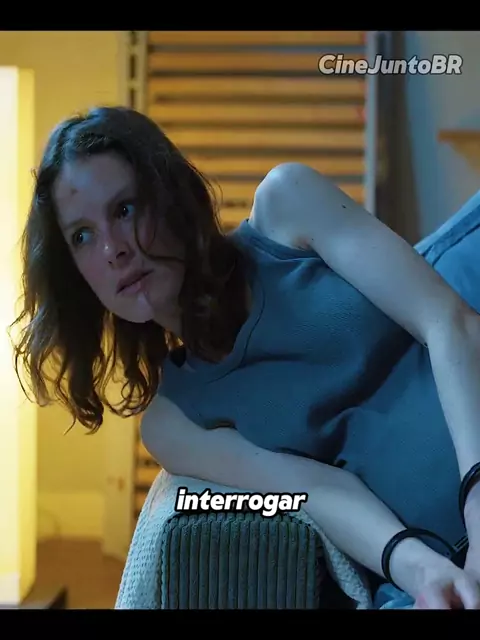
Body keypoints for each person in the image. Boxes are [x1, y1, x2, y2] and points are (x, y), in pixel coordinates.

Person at [11, 105, 480, 610]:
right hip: (432, 570)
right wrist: (422, 570)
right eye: (82, 236)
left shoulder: (288, 203)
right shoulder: (172, 423)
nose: (113, 250)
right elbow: (311, 490)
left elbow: (450, 325)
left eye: (125, 209)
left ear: (169, 194)